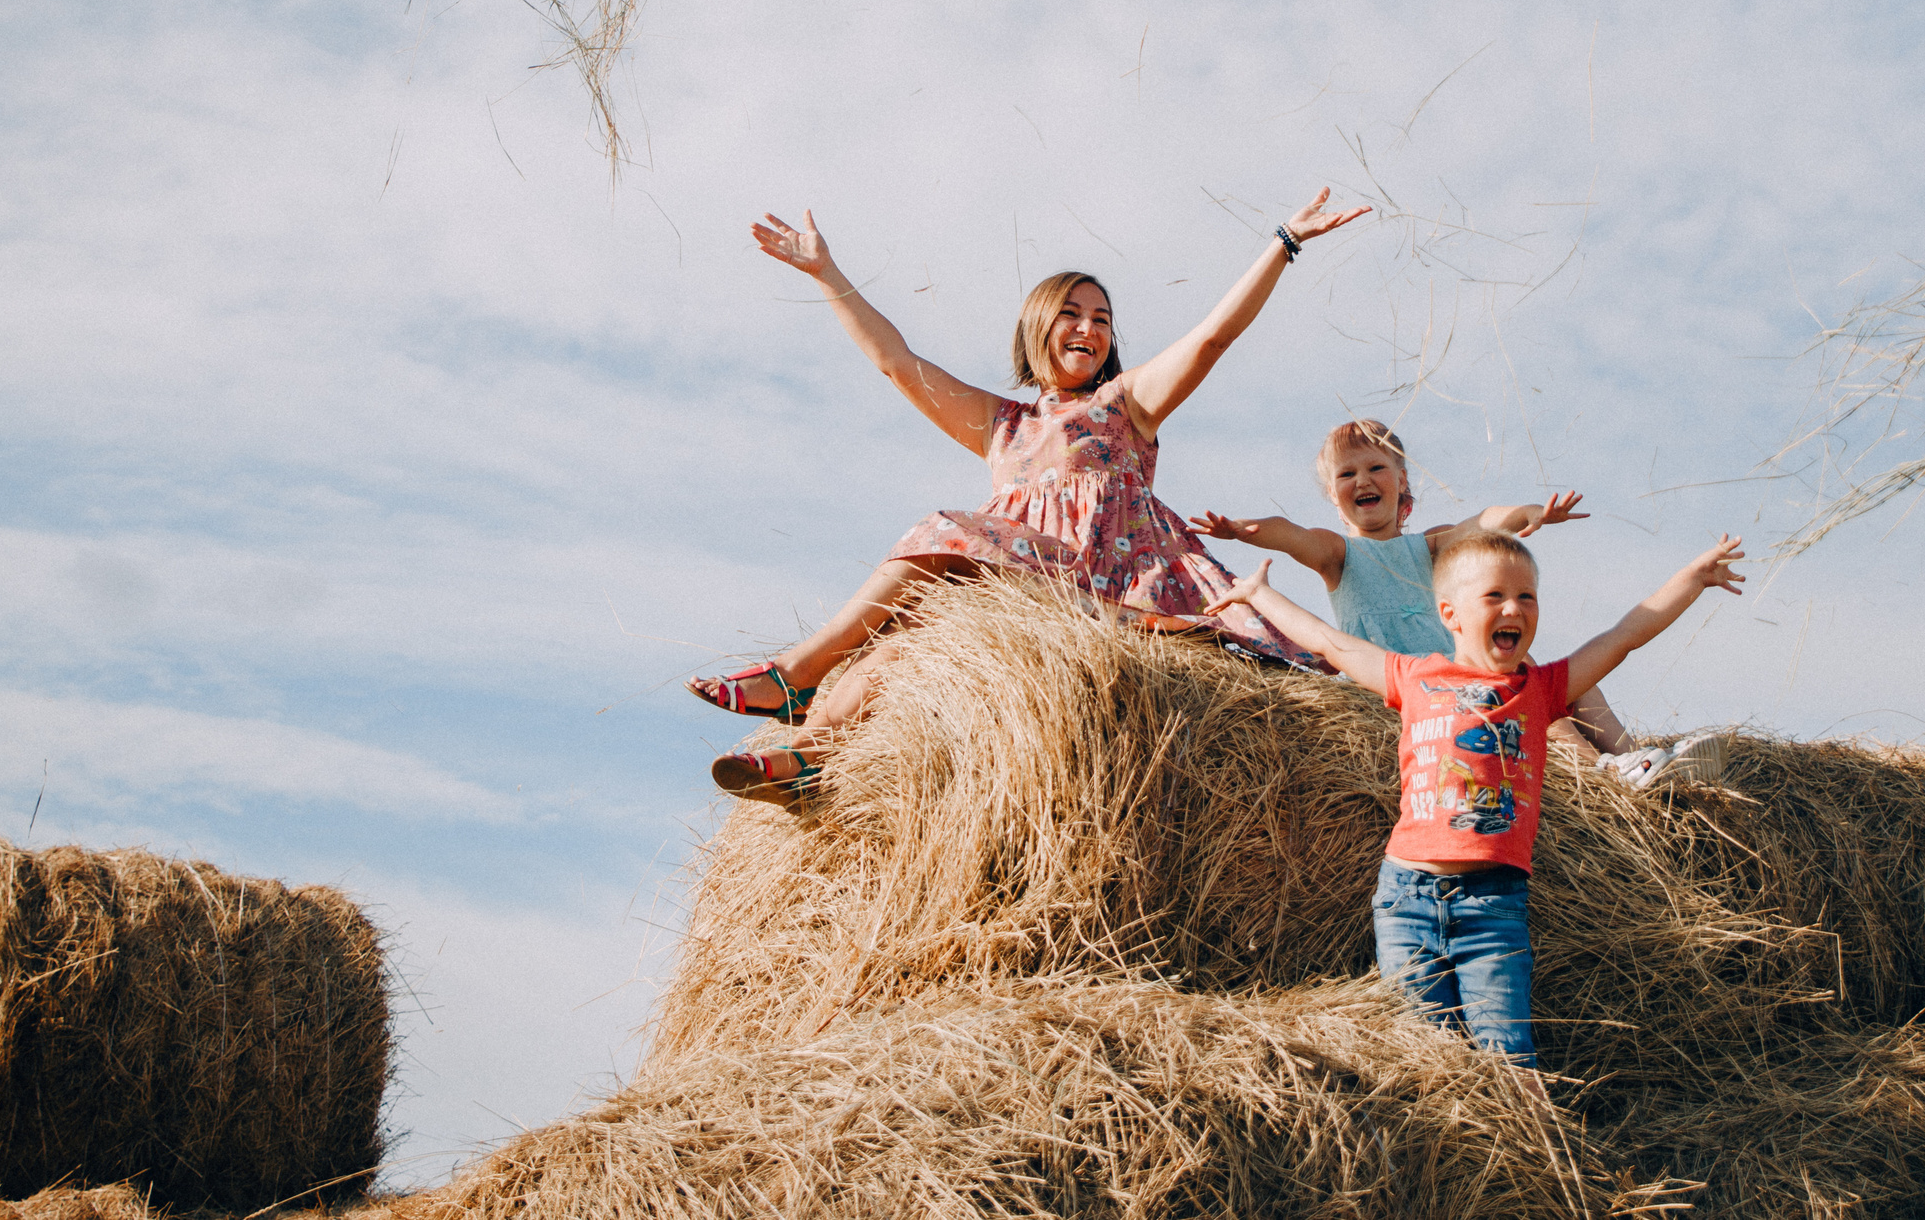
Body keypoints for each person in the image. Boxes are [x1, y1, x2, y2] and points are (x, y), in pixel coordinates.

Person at [690, 188, 1371, 802]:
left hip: (1103, 591)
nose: (1089, 328)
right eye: (1071, 314)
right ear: (1037, 327)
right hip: (1019, 598)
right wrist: (827, 274)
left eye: (1102, 318)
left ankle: (798, 671)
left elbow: (1212, 336)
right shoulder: (1003, 425)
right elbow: (897, 362)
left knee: (940, 527)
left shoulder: (1126, 405)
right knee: (900, 650)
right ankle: (806, 753)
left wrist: (1283, 243)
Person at [1200, 526, 1745, 1065]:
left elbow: (1624, 635)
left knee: (1508, 1060)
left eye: (1527, 596)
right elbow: (1328, 642)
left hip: (1492, 905)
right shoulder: (1412, 676)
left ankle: (1534, 1128)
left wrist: (1692, 579)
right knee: (1428, 1062)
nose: (1514, 608)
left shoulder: (1538, 689)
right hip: (1405, 900)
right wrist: (1259, 594)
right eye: (1495, 596)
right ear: (1450, 614)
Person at [1189, 420, 1716, 786]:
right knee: (1524, 695)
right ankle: (1599, 777)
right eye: (1346, 474)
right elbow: (1292, 535)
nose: (1362, 480)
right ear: (1333, 494)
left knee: (1559, 677)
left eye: (1375, 468)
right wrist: (1242, 529)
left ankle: (1637, 759)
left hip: (1464, 669)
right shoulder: (1339, 555)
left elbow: (1484, 522)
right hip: (1411, 688)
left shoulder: (1430, 547)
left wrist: (1530, 513)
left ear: (1401, 481)